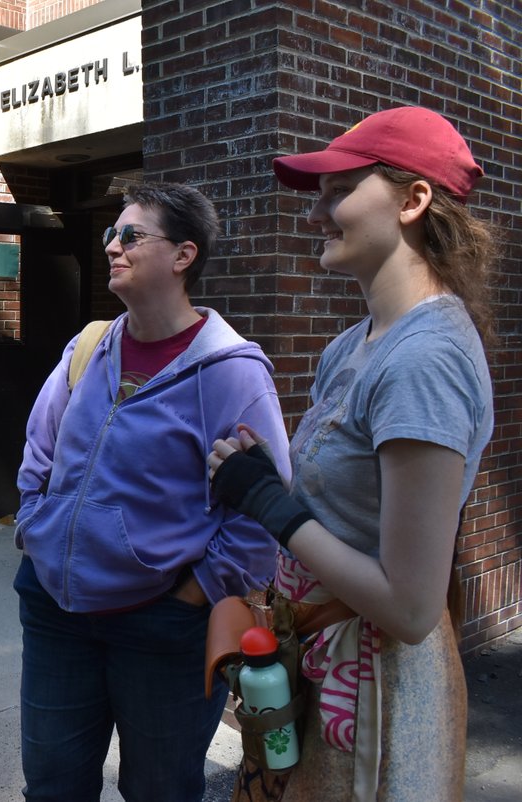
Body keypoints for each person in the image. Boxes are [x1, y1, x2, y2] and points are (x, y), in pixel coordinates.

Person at [208, 106, 494, 800]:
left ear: (412, 199)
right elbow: (344, 508)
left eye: (340, 190)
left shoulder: (425, 360)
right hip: (325, 669)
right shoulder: (353, 344)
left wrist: (269, 504)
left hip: (379, 694)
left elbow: (409, 605)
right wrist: (262, 478)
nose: (318, 213)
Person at [13, 182, 292, 802]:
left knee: (160, 791)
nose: (113, 244)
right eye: (113, 233)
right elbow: (40, 451)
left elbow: (261, 511)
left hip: (164, 628)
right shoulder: (90, 346)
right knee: (53, 788)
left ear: (183, 255)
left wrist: (194, 594)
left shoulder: (232, 372)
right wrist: (36, 530)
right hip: (56, 613)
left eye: (131, 235)